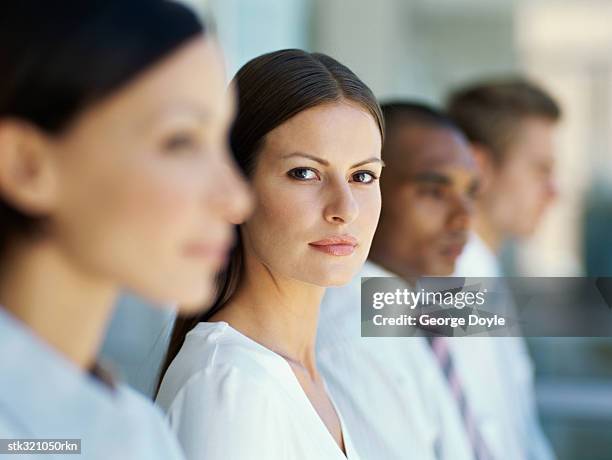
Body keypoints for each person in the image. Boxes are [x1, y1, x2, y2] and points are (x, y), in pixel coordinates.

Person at [0, 2, 251, 459]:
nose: (236, 199)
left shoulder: (139, 431)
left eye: (366, 174)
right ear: (26, 164)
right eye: (180, 141)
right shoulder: (227, 381)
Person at [156, 49, 384, 460]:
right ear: (235, 184)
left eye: (362, 176)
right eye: (304, 173)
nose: (345, 208)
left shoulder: (298, 375)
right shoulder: (231, 385)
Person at [317, 102, 482, 460]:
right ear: (368, 191)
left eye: (470, 193)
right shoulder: (351, 334)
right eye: (434, 192)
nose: (463, 219)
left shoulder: (406, 312)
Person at [446, 79, 562, 459]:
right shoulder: (452, 291)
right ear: (478, 168)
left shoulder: (482, 278)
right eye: (540, 170)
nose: (553, 191)